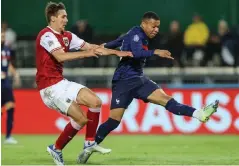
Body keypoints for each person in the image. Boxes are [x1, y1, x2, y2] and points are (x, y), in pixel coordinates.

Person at [77, 11, 219, 164]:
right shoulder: (137, 34)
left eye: (158, 27)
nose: (156, 30)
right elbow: (137, 53)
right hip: (123, 81)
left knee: (166, 99)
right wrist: (156, 52)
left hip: (139, 79)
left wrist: (102, 47)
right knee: (113, 121)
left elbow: (118, 41)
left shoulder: (134, 34)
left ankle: (199, 114)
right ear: (144, 24)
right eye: (153, 26)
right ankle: (89, 147)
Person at [36, 2, 132, 165]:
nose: (66, 20)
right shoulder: (46, 35)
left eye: (66, 16)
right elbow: (61, 57)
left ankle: (89, 143)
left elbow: (92, 47)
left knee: (95, 102)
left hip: (61, 83)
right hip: (49, 88)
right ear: (53, 18)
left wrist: (116, 52)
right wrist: (87, 53)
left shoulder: (68, 36)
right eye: (63, 16)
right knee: (80, 119)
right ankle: (56, 148)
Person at [1, 31, 21, 144]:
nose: (3, 38)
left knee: (11, 107)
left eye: (4, 36)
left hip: (5, 83)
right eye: (1, 36)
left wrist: (15, 74)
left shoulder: (7, 49)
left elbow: (8, 64)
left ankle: (8, 137)